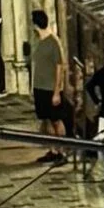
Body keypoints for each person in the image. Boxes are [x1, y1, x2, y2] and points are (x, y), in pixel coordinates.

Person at [29, 9, 69, 163]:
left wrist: (57, 92)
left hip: (51, 88)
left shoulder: (53, 42)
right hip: (39, 87)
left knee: (56, 120)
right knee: (46, 119)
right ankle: (53, 150)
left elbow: (60, 68)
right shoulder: (37, 40)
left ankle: (62, 152)